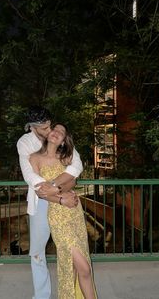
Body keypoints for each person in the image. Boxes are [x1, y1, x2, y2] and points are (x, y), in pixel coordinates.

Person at [16, 106, 83, 299]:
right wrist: (49, 190)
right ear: (32, 127)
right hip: (40, 201)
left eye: (49, 125)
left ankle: (73, 292)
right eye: (44, 128)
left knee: (72, 247)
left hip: (62, 195)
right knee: (37, 252)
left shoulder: (57, 136)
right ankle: (41, 296)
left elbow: (76, 165)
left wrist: (55, 187)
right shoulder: (25, 143)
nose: (49, 131)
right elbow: (29, 174)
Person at [29, 123, 97, 299]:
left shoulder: (65, 157)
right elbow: (40, 192)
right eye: (55, 129)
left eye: (62, 133)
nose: (57, 133)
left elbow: (72, 181)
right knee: (84, 267)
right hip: (58, 215)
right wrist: (60, 198)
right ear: (48, 133)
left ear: (62, 141)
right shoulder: (34, 158)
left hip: (74, 210)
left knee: (78, 266)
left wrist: (56, 189)